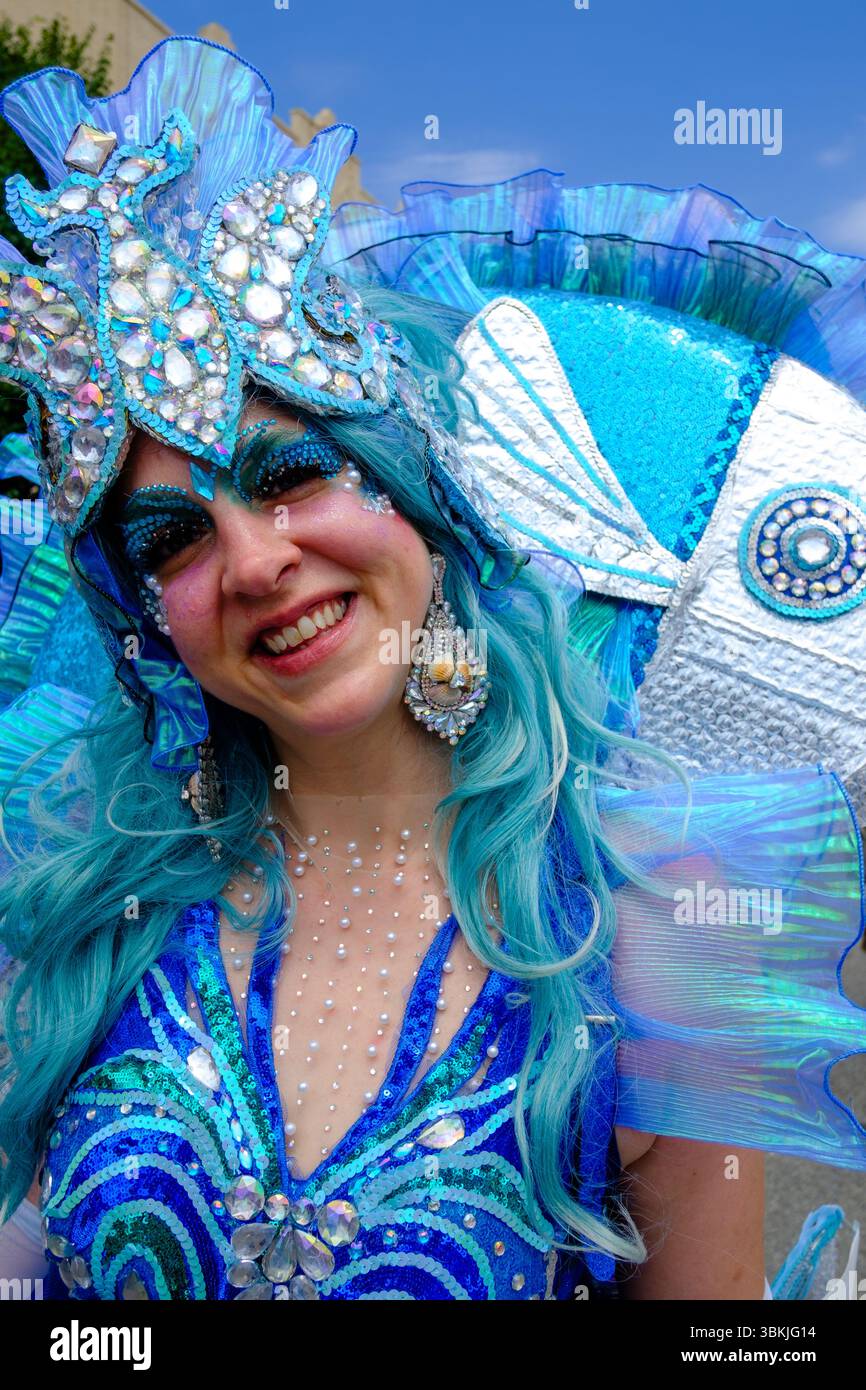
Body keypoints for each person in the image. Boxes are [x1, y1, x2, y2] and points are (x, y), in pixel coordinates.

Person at [0, 35, 862, 1303]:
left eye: (289, 474)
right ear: (147, 622)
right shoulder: (82, 910)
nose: (252, 561)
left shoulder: (647, 916)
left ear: (414, 499)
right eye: (172, 538)